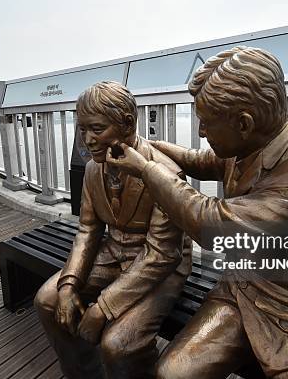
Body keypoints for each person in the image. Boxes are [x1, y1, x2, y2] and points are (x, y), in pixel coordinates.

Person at [106, 47, 288, 378]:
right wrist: (145, 148)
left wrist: (145, 170)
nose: (201, 131)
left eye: (206, 123)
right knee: (172, 374)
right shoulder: (261, 140)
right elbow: (201, 160)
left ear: (244, 123)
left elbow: (208, 222)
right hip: (246, 288)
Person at [34, 81, 192, 379]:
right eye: (83, 130)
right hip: (111, 253)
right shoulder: (94, 168)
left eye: (97, 129)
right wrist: (68, 286)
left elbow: (162, 254)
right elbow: (88, 230)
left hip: (161, 265)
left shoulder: (166, 173)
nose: (88, 140)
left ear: (128, 124)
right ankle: (83, 373)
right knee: (47, 300)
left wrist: (102, 307)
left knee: (118, 344)